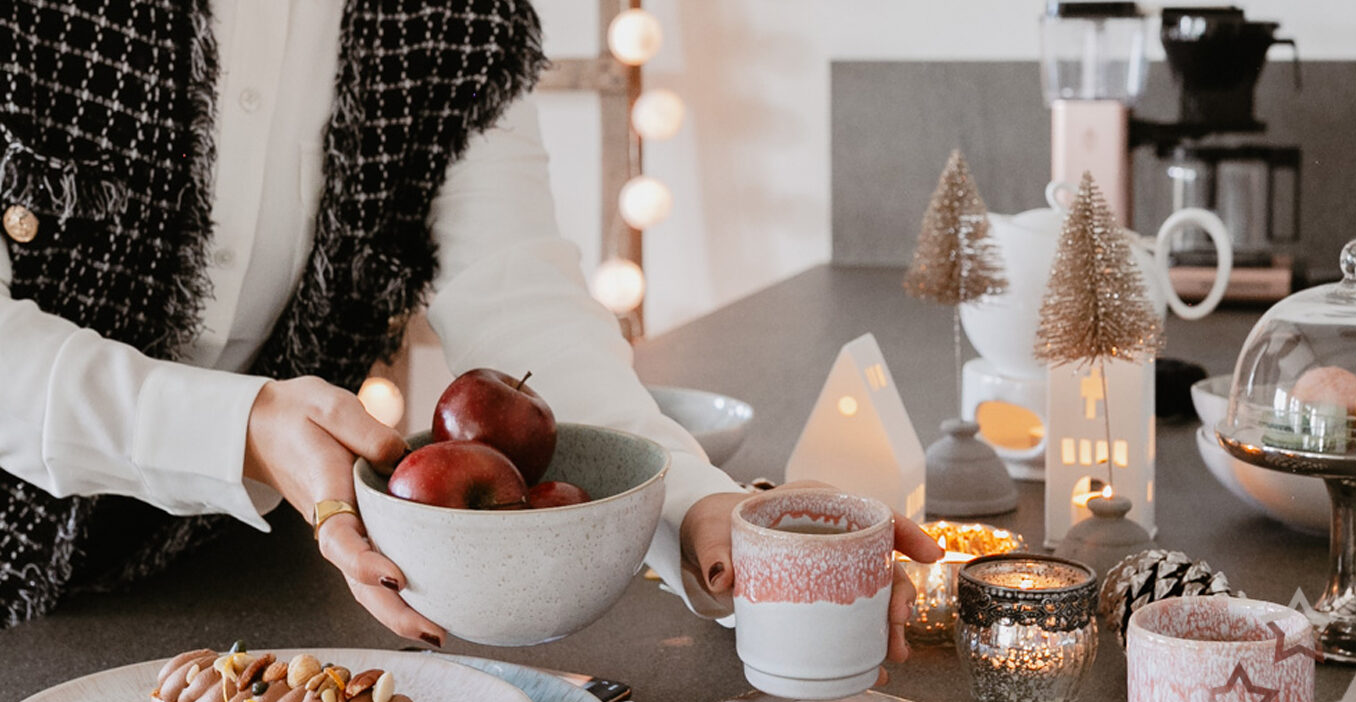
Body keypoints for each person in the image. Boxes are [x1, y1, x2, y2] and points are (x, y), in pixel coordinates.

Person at [0, 0, 938, 664]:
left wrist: (701, 507)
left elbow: (519, 298)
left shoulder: (456, 20)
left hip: (230, 590)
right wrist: (236, 426)